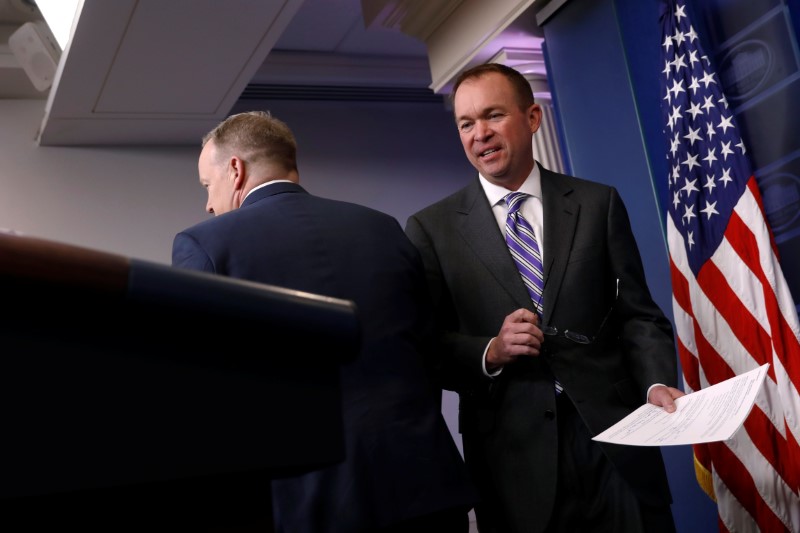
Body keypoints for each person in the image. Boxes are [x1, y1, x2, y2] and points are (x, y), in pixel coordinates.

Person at [404, 63, 685, 533]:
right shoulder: (430, 229)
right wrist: (489, 351)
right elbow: (426, 347)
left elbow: (639, 316)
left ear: (532, 118)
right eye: (466, 123)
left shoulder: (599, 204)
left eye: (493, 115)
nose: (480, 134)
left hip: (617, 446)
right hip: (513, 465)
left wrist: (656, 382)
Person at [171, 110, 477, 533]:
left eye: (208, 185)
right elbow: (427, 352)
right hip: (424, 487)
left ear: (235, 170)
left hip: (308, 504)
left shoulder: (204, 245)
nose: (207, 202)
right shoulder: (382, 228)